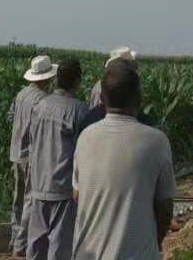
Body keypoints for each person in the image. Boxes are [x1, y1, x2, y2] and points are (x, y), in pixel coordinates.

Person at [71, 59, 176, 260]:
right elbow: (165, 207)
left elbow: (78, 194)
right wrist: (155, 240)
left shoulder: (86, 137)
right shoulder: (156, 141)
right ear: (139, 98)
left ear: (102, 97)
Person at [26, 59, 87, 260]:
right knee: (59, 247)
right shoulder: (78, 110)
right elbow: (83, 152)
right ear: (77, 81)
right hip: (62, 185)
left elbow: (32, 140)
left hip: (38, 181)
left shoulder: (40, 105)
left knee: (36, 244)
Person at [9, 55, 57, 259]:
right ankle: (20, 246)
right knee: (29, 199)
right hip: (31, 155)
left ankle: (14, 239)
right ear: (46, 78)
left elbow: (10, 116)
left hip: (15, 153)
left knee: (18, 200)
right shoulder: (42, 100)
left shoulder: (21, 94)